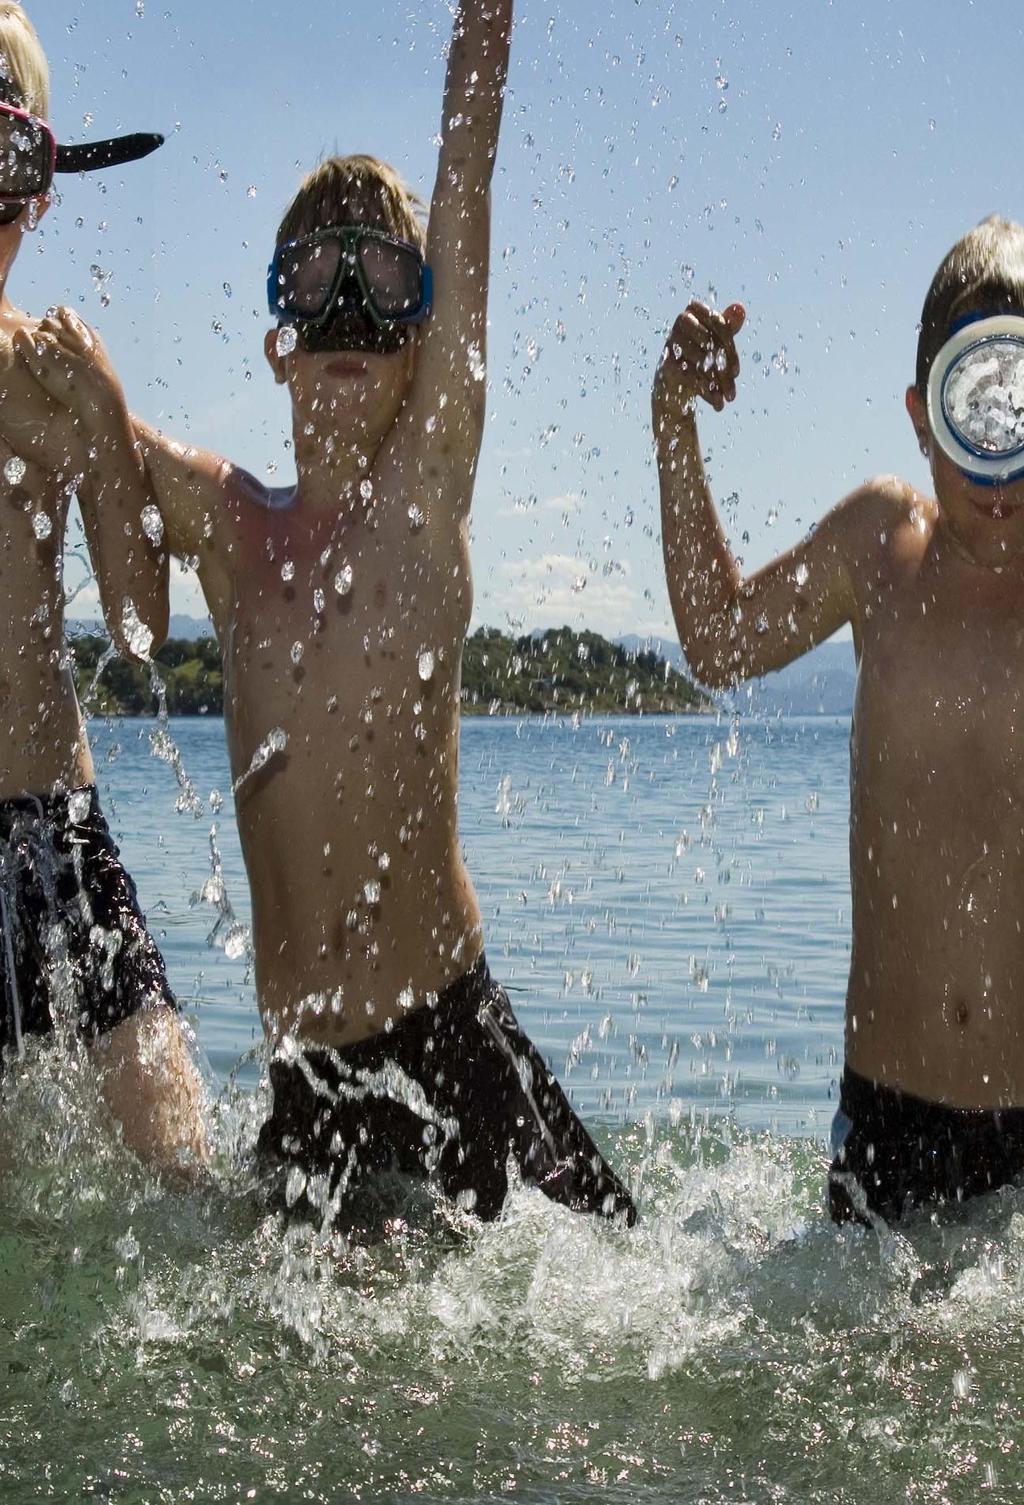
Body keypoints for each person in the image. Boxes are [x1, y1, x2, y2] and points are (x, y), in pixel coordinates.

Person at [16, 0, 635, 1228]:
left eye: (385, 280)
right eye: (317, 278)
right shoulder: (226, 525)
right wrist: (99, 398)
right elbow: (105, 480)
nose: (350, 306)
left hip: (452, 1030)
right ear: (275, 343)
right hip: (308, 1078)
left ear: (423, 340)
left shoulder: (424, 497)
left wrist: (482, 40)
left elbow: (468, 167)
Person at [653, 215, 1024, 1224]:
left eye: (1019, 406)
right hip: (886, 1122)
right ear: (918, 414)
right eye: (970, 407)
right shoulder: (882, 546)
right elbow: (718, 640)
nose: (998, 459)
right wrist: (672, 421)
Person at [0, 3, 206, 1176]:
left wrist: (104, 416)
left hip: (57, 835)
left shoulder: (55, 377)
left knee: (180, 1174)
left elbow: (139, 629)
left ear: (42, 187)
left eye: (4, 160)